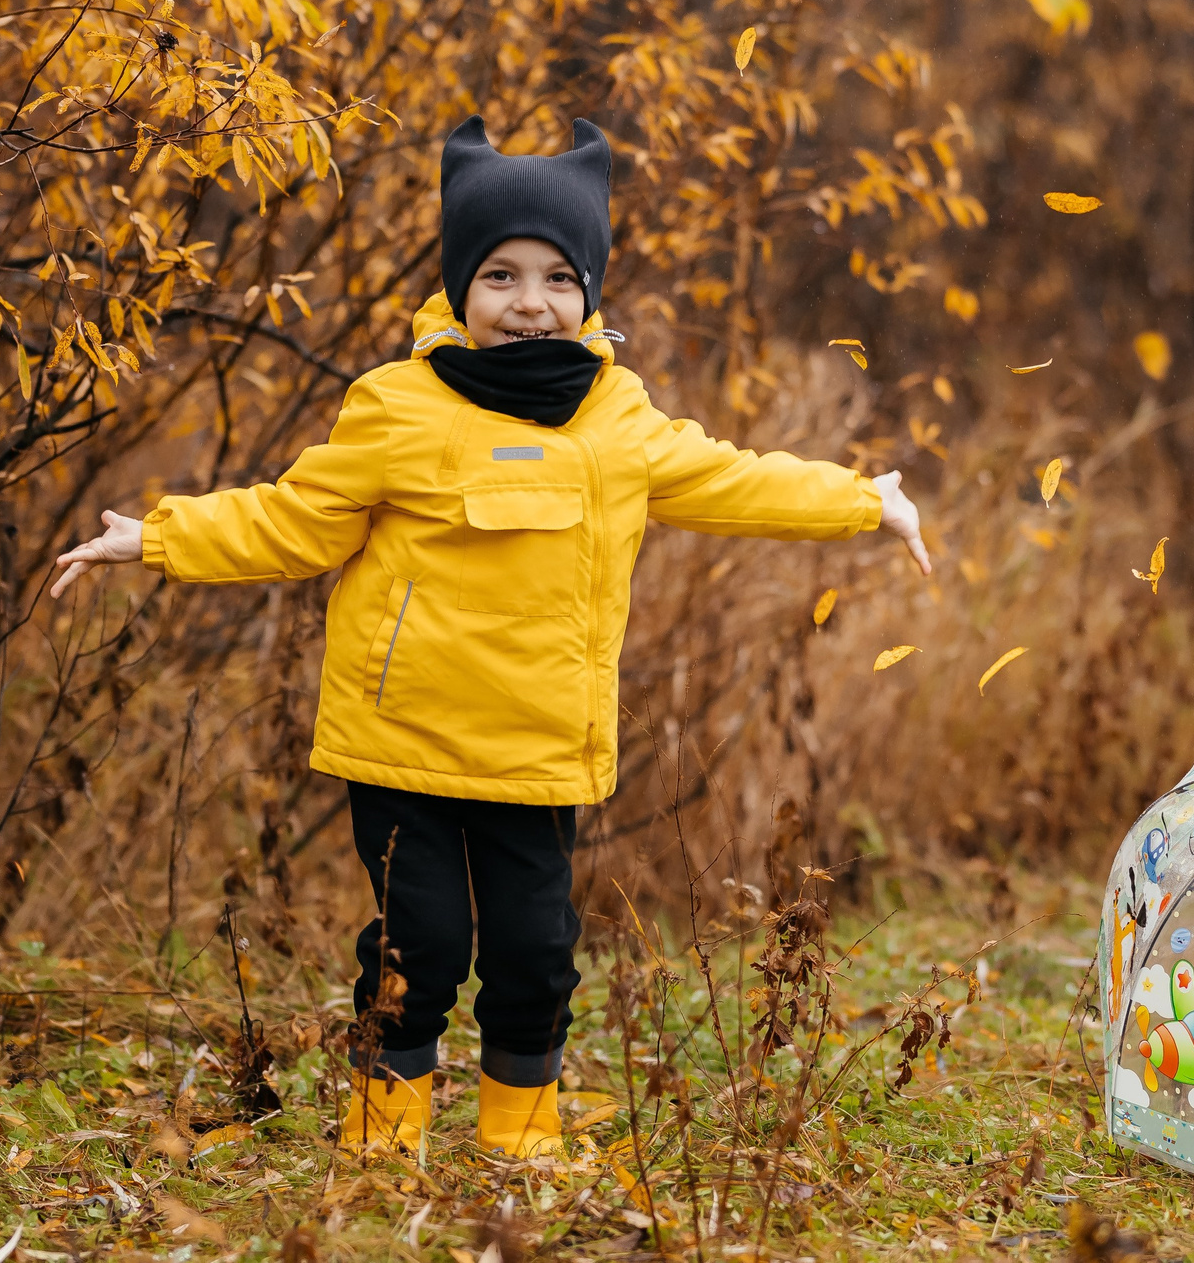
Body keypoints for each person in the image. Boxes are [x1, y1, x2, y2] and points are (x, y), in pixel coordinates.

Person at [52, 116, 931, 1159]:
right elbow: (292, 520)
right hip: (402, 743)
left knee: (535, 950)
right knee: (419, 947)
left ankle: (520, 1133)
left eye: (559, 278)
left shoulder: (620, 417)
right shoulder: (399, 406)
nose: (530, 304)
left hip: (538, 746)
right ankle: (384, 1131)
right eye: (502, 275)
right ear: (461, 285)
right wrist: (156, 534)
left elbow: (738, 479)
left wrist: (863, 501)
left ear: (591, 292)